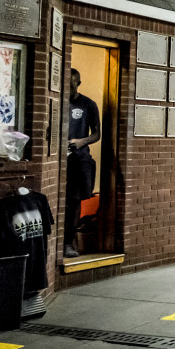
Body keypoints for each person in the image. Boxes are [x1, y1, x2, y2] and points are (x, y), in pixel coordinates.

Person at [65, 68, 100, 258]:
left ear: (78, 83)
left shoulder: (88, 104)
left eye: (72, 84)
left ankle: (69, 243)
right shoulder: (58, 101)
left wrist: (81, 142)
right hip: (60, 159)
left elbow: (97, 134)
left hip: (79, 159)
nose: (69, 89)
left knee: (74, 201)